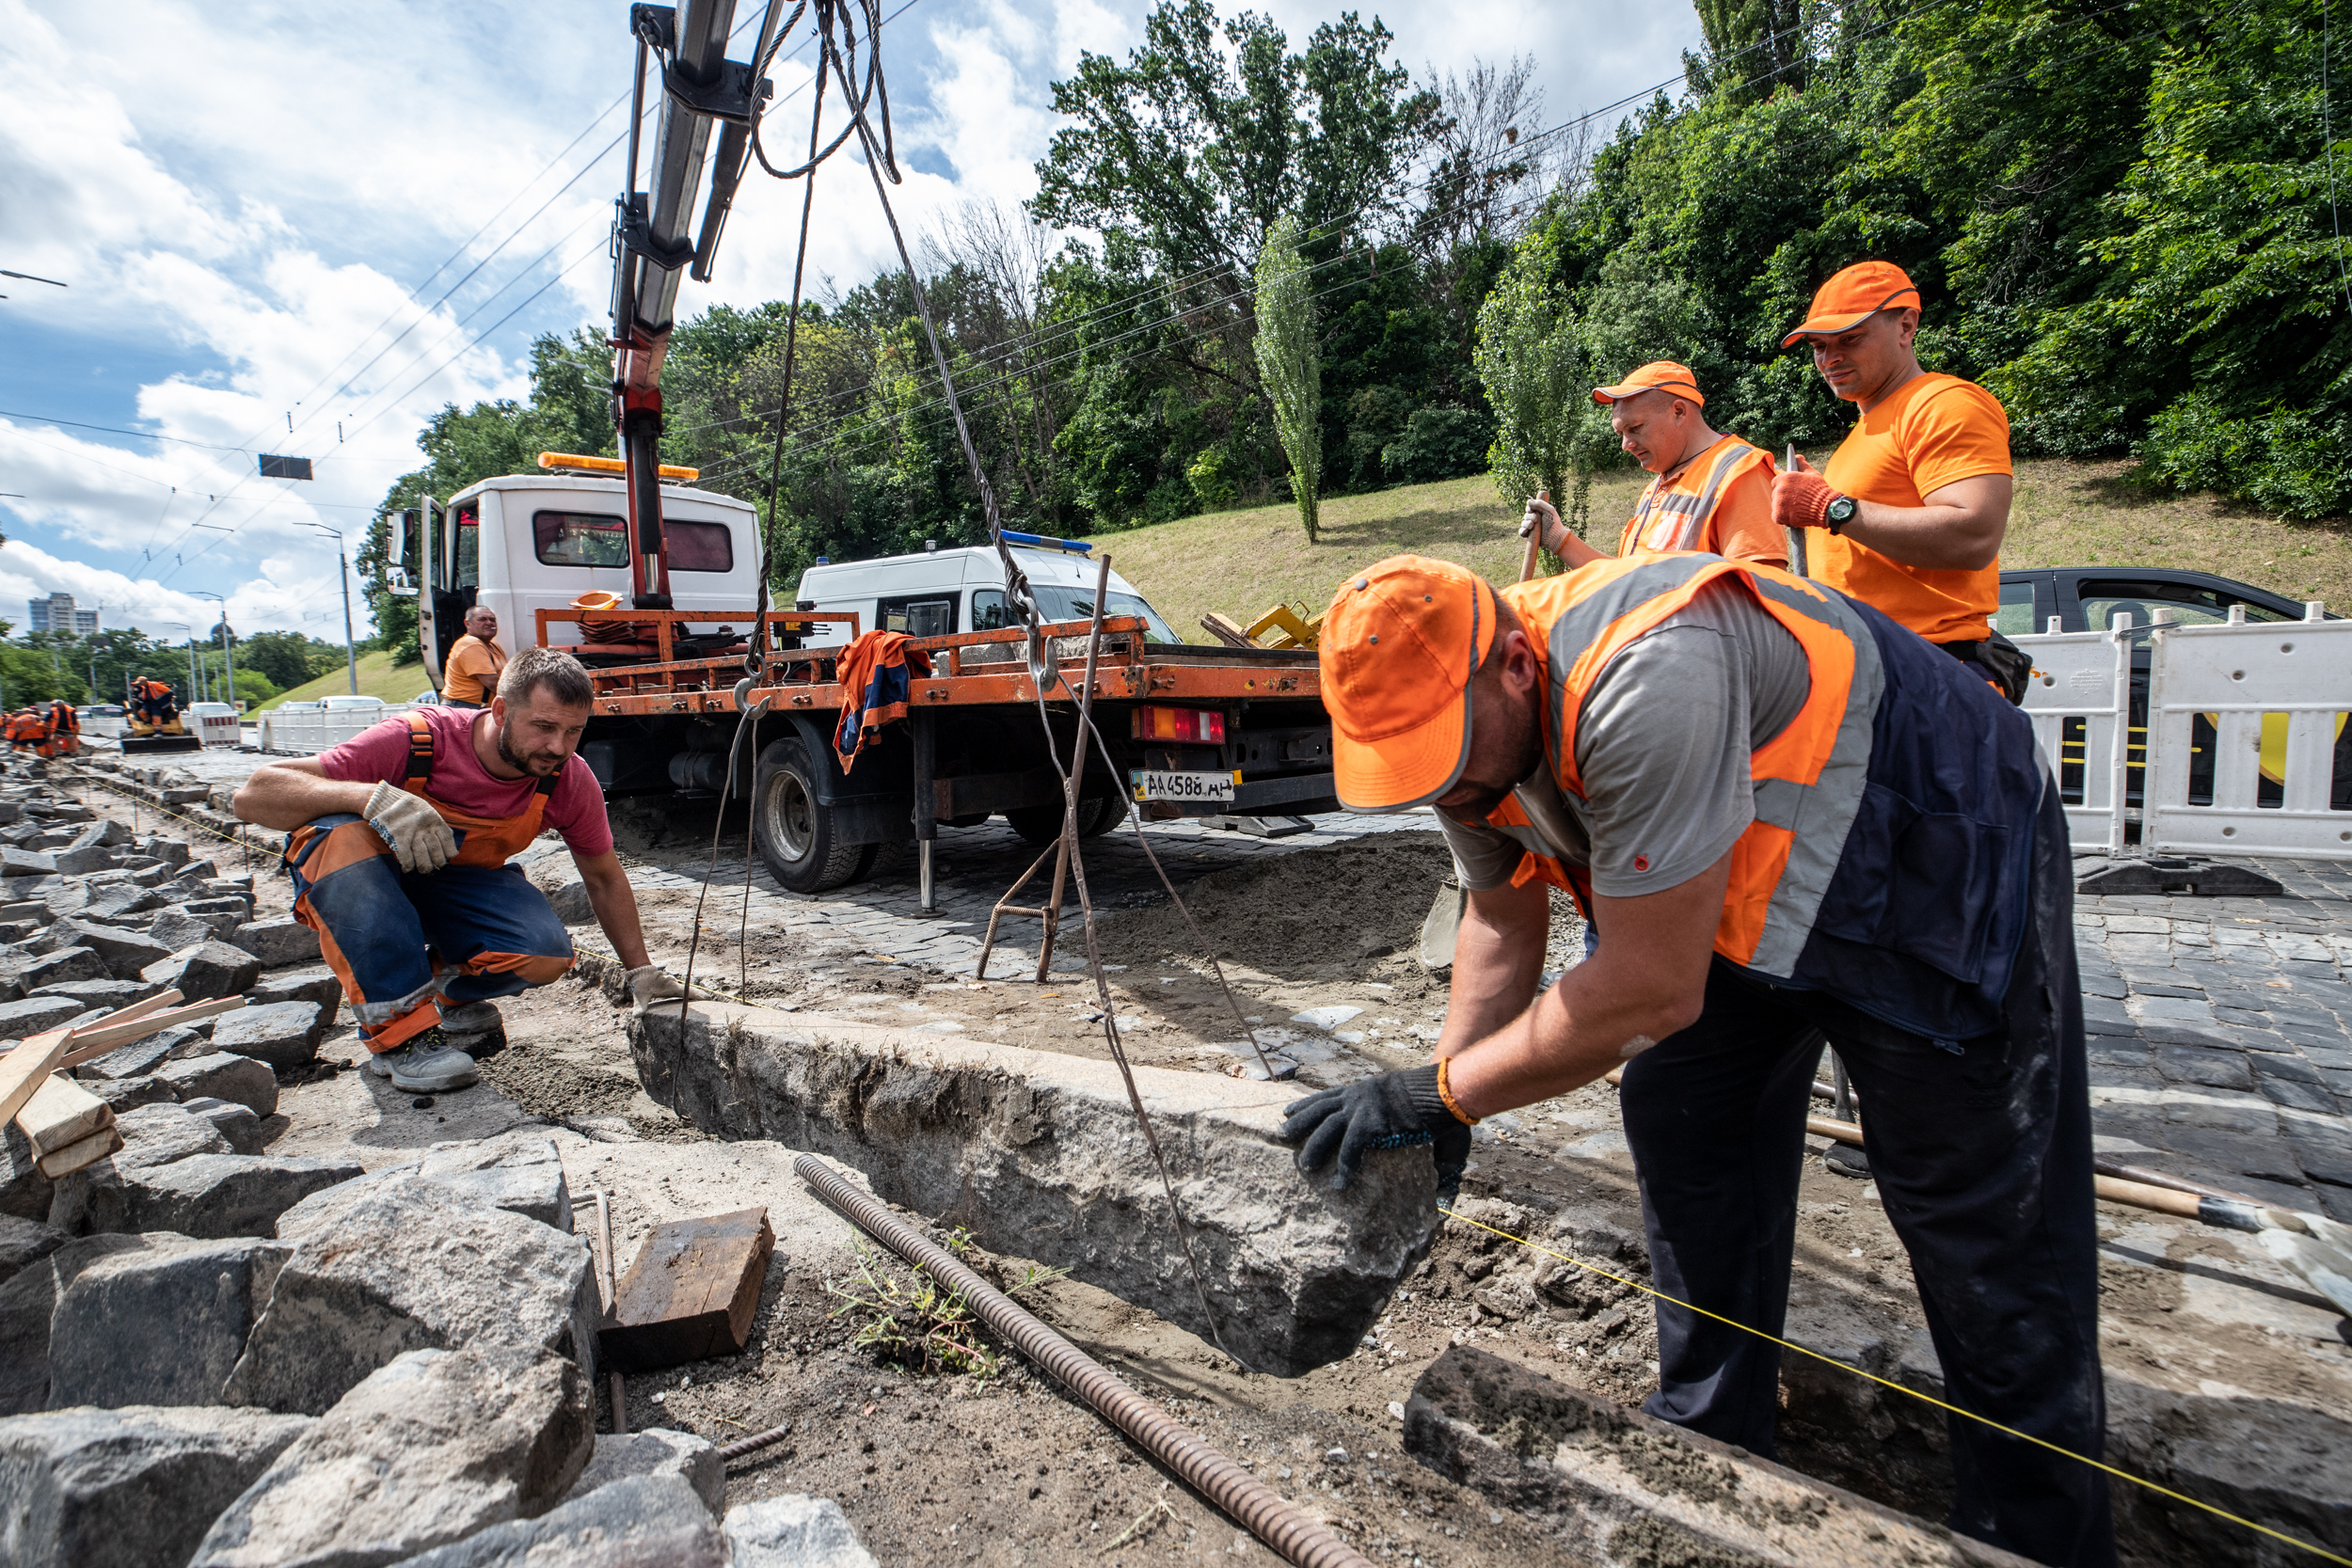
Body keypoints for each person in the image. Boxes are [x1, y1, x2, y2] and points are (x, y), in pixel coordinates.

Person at [1281, 552, 2110, 1567]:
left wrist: (1441, 1088)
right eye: (1408, 762)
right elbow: (1500, 921)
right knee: (1684, 1113)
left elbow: (1646, 988)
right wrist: (1450, 1101)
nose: (1441, 782)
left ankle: (2035, 1534)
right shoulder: (1462, 735)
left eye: (1442, 751)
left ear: (1510, 664)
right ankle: (1713, 1425)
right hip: (1733, 888)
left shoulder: (1644, 673)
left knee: (1981, 1215)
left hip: (1930, 841)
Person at [232, 646, 691, 1093]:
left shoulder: (568, 779)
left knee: (545, 954)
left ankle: (436, 993)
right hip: (369, 883)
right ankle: (404, 1039)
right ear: (499, 710)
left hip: (450, 887)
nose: (558, 747)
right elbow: (252, 795)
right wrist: (363, 797)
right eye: (544, 727)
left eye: (573, 731)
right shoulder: (415, 741)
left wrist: (640, 973)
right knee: (338, 835)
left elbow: (604, 876)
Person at [1771, 260, 2028, 700]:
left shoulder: (1943, 403)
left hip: (1931, 671)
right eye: (1818, 346)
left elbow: (1974, 536)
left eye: (1850, 339)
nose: (1830, 358)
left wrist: (1831, 508)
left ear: (1906, 325)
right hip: (1878, 671)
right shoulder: (1868, 427)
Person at [1518, 360, 1785, 569]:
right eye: (1620, 434)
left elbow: (1760, 601)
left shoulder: (1740, 473)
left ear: (1678, 412)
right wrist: (1559, 538)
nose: (1626, 444)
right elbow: (1628, 583)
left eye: (1635, 428)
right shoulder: (1656, 489)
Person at [440, 605, 508, 708]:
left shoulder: (494, 646)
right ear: (467, 624)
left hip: (481, 707)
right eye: (482, 619)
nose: (489, 623)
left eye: (492, 620)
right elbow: (492, 683)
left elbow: (507, 676)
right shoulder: (470, 643)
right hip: (464, 708)